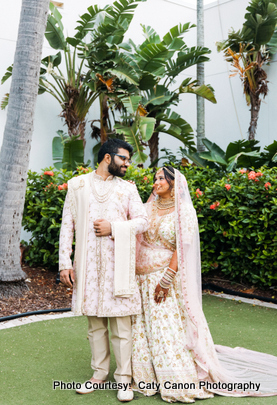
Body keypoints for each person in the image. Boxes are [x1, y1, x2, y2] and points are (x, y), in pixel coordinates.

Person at [132, 166, 277, 403]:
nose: (155, 182)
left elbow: (182, 247)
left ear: (173, 184)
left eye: (161, 179)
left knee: (165, 327)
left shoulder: (184, 212)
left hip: (165, 279)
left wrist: (166, 280)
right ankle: (146, 377)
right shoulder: (146, 209)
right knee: (143, 326)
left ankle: (176, 379)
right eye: (155, 178)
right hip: (141, 279)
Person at [59, 138, 148, 402]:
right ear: (107, 157)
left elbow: (142, 221)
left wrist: (115, 227)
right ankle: (98, 375)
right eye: (123, 159)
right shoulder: (78, 185)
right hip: (87, 267)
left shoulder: (128, 190)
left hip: (118, 266)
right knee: (95, 324)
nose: (127, 165)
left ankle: (124, 380)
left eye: (128, 160)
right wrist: (65, 262)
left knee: (122, 326)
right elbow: (67, 225)